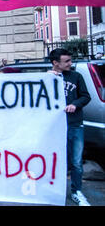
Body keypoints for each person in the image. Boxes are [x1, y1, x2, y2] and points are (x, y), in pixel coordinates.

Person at [48, 48, 91, 206]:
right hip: (53, 128)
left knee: (76, 162)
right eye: (66, 61)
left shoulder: (76, 76)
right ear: (55, 63)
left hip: (74, 125)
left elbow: (86, 96)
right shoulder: (47, 77)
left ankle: (76, 192)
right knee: (54, 160)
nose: (70, 64)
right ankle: (52, 191)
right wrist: (46, 77)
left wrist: (75, 104)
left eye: (70, 61)